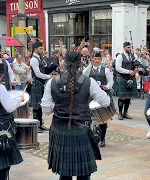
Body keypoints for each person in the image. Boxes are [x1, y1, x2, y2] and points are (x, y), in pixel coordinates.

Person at [41, 51, 110, 180]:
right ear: (80, 65)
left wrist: (57, 107)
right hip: (81, 130)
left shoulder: (52, 82)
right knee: (83, 174)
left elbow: (45, 110)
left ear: (63, 64)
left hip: (59, 131)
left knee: (64, 173)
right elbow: (106, 102)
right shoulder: (90, 82)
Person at [83, 51, 114, 147]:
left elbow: (110, 82)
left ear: (101, 60)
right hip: (90, 96)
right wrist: (90, 65)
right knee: (89, 118)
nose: (96, 61)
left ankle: (102, 138)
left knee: (102, 118)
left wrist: (107, 87)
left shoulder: (106, 70)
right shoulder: (88, 69)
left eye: (98, 59)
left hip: (102, 95)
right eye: (95, 59)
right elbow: (83, 75)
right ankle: (90, 137)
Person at [30, 42, 53, 133]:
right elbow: (38, 74)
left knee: (40, 105)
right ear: (35, 49)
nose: (42, 50)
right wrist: (49, 77)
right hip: (36, 83)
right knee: (36, 106)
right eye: (40, 49)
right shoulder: (34, 60)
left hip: (41, 83)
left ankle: (40, 124)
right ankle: (36, 126)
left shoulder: (39, 58)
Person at [115, 42, 138, 120]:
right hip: (122, 78)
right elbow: (118, 68)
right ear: (124, 48)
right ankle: (120, 114)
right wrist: (128, 71)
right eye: (128, 47)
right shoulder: (120, 57)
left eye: (130, 47)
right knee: (122, 97)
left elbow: (137, 64)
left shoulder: (134, 56)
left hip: (131, 78)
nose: (130, 49)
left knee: (128, 97)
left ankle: (125, 113)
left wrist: (136, 69)